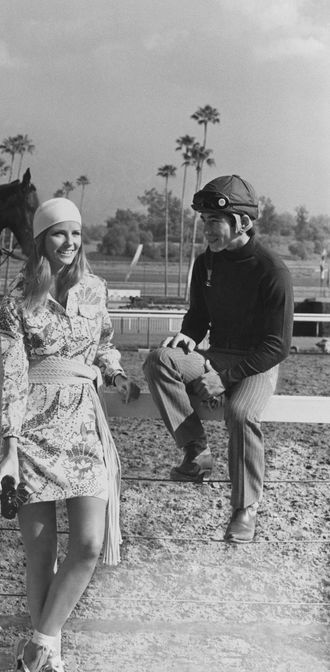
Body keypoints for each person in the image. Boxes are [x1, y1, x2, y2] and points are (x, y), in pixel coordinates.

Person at [0, 197, 139, 672]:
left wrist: (116, 371)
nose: (70, 243)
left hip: (84, 427)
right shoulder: (16, 301)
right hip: (34, 430)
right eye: (59, 234)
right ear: (40, 240)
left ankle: (33, 651)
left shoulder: (97, 291)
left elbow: (103, 345)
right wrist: (9, 449)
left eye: (76, 234)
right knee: (39, 558)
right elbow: (12, 376)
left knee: (89, 545)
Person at [143, 175, 294, 544]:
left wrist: (225, 379)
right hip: (217, 354)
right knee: (159, 359)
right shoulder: (206, 262)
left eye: (215, 221)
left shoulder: (273, 271)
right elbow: (198, 317)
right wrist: (187, 337)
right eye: (204, 221)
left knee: (241, 414)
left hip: (258, 362)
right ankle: (196, 452)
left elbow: (278, 345)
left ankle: (245, 508)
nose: (207, 229)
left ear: (241, 223)